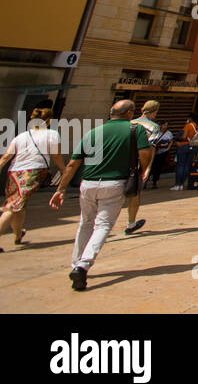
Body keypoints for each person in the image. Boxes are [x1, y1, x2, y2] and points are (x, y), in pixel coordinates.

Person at [50, 99, 154, 291]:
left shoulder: (93, 132)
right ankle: (83, 265)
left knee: (85, 223)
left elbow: (73, 164)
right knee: (103, 225)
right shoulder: (134, 130)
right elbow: (145, 155)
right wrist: (142, 171)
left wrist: (61, 189)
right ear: (130, 113)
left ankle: (76, 262)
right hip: (114, 183)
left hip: (87, 184)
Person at [0, 107, 66, 249]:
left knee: (18, 205)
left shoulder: (21, 136)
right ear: (48, 121)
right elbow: (56, 155)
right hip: (33, 172)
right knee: (12, 206)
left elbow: (6, 157)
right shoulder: (52, 134)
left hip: (14, 173)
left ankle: (18, 235)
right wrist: (64, 170)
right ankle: (14, 234)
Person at [123, 99, 163, 234]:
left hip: (123, 160)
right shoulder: (154, 127)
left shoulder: (130, 123)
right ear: (155, 112)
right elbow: (150, 149)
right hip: (138, 162)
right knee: (134, 194)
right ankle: (130, 223)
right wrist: (147, 168)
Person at [171, 114, 198, 190]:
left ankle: (177, 184)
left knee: (181, 165)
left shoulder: (188, 126)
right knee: (187, 165)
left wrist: (178, 138)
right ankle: (182, 184)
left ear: (190, 118)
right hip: (194, 146)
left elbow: (184, 137)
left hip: (184, 146)